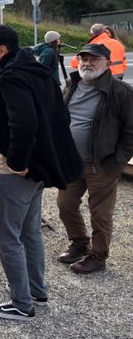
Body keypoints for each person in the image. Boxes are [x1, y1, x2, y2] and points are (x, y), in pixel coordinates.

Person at [0, 25, 82, 321]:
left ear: (2, 50)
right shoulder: (36, 70)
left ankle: (22, 303)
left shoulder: (11, 76)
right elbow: (60, 113)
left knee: (8, 236)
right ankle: (37, 291)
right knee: (30, 232)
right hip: (39, 168)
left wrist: (18, 161)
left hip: (18, 170)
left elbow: (24, 123)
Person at [57, 43, 133, 274]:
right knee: (65, 206)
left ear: (107, 63)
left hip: (101, 164)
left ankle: (98, 257)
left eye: (94, 59)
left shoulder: (120, 91)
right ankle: (80, 242)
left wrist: (115, 163)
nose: (88, 63)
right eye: (84, 59)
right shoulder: (71, 85)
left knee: (100, 214)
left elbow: (131, 132)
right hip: (72, 162)